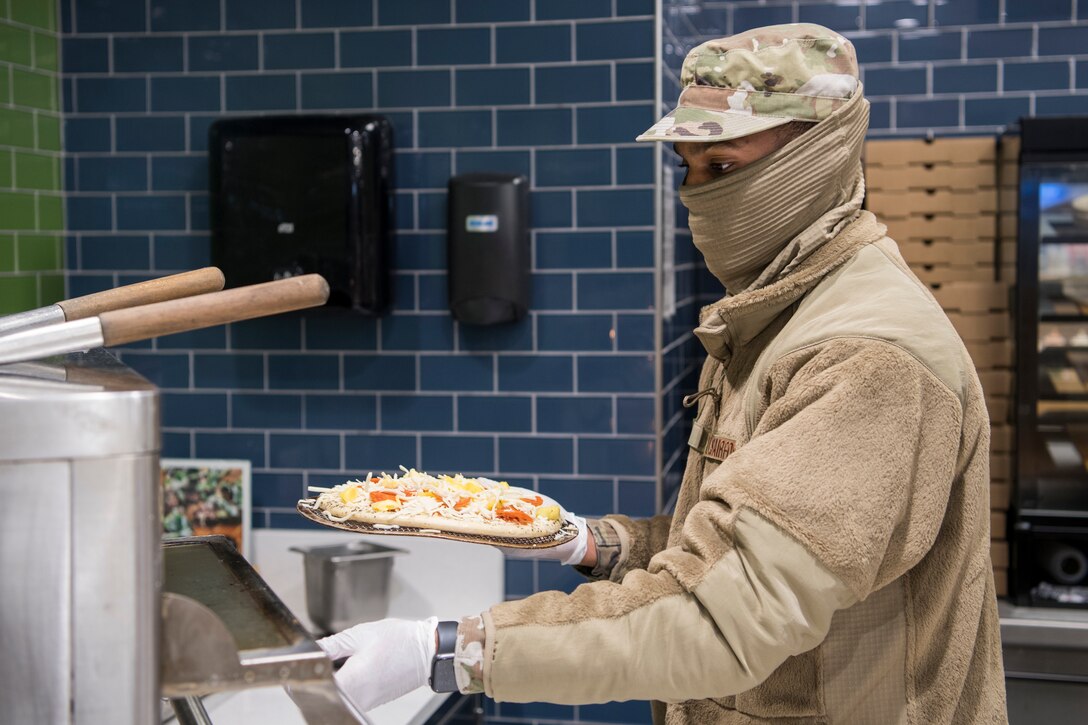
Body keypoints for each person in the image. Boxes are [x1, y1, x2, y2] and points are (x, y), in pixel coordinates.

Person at [318, 23, 1008, 723]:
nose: (698, 197)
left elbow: (724, 617)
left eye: (725, 168)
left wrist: (450, 650)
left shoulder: (862, 357)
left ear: (817, 153)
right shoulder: (780, 317)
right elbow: (724, 549)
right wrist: (589, 543)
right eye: (689, 168)